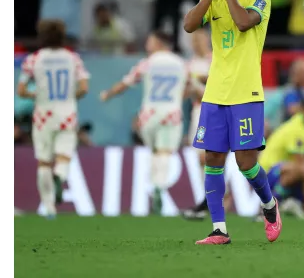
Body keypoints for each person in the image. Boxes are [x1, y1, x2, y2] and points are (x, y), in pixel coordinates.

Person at [182, 0, 280, 245]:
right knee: (212, 158)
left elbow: (243, 21)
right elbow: (189, 25)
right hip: (215, 92)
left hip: (247, 92)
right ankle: (219, 229)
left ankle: (269, 205)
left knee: (246, 162)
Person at [99, 31, 190, 215]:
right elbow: (190, 85)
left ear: (159, 43)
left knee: (154, 151)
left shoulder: (147, 63)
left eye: (150, 41)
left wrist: (108, 94)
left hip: (149, 114)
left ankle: (154, 183)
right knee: (165, 152)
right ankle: (159, 185)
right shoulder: (181, 64)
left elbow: (126, 83)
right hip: (171, 113)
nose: (147, 44)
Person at [16, 20, 90, 219]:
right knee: (64, 155)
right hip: (66, 113)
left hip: (43, 115)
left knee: (43, 161)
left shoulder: (33, 59)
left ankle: (49, 208)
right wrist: (70, 96)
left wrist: (36, 94)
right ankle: (60, 175)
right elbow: (84, 87)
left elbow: (21, 91)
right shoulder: (73, 58)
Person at [258, 96, 304, 218]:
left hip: (286, 166)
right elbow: (302, 167)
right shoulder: (296, 129)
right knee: (300, 171)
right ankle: (267, 208)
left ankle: (294, 203)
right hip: (267, 170)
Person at [182, 31, 213, 220]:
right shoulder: (190, 64)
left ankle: (212, 198)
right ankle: (208, 198)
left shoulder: (215, 60)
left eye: (199, 39)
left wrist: (205, 80)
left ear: (207, 40)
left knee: (206, 156)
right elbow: (187, 89)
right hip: (196, 112)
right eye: (193, 40)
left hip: (211, 111)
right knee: (198, 158)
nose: (196, 43)